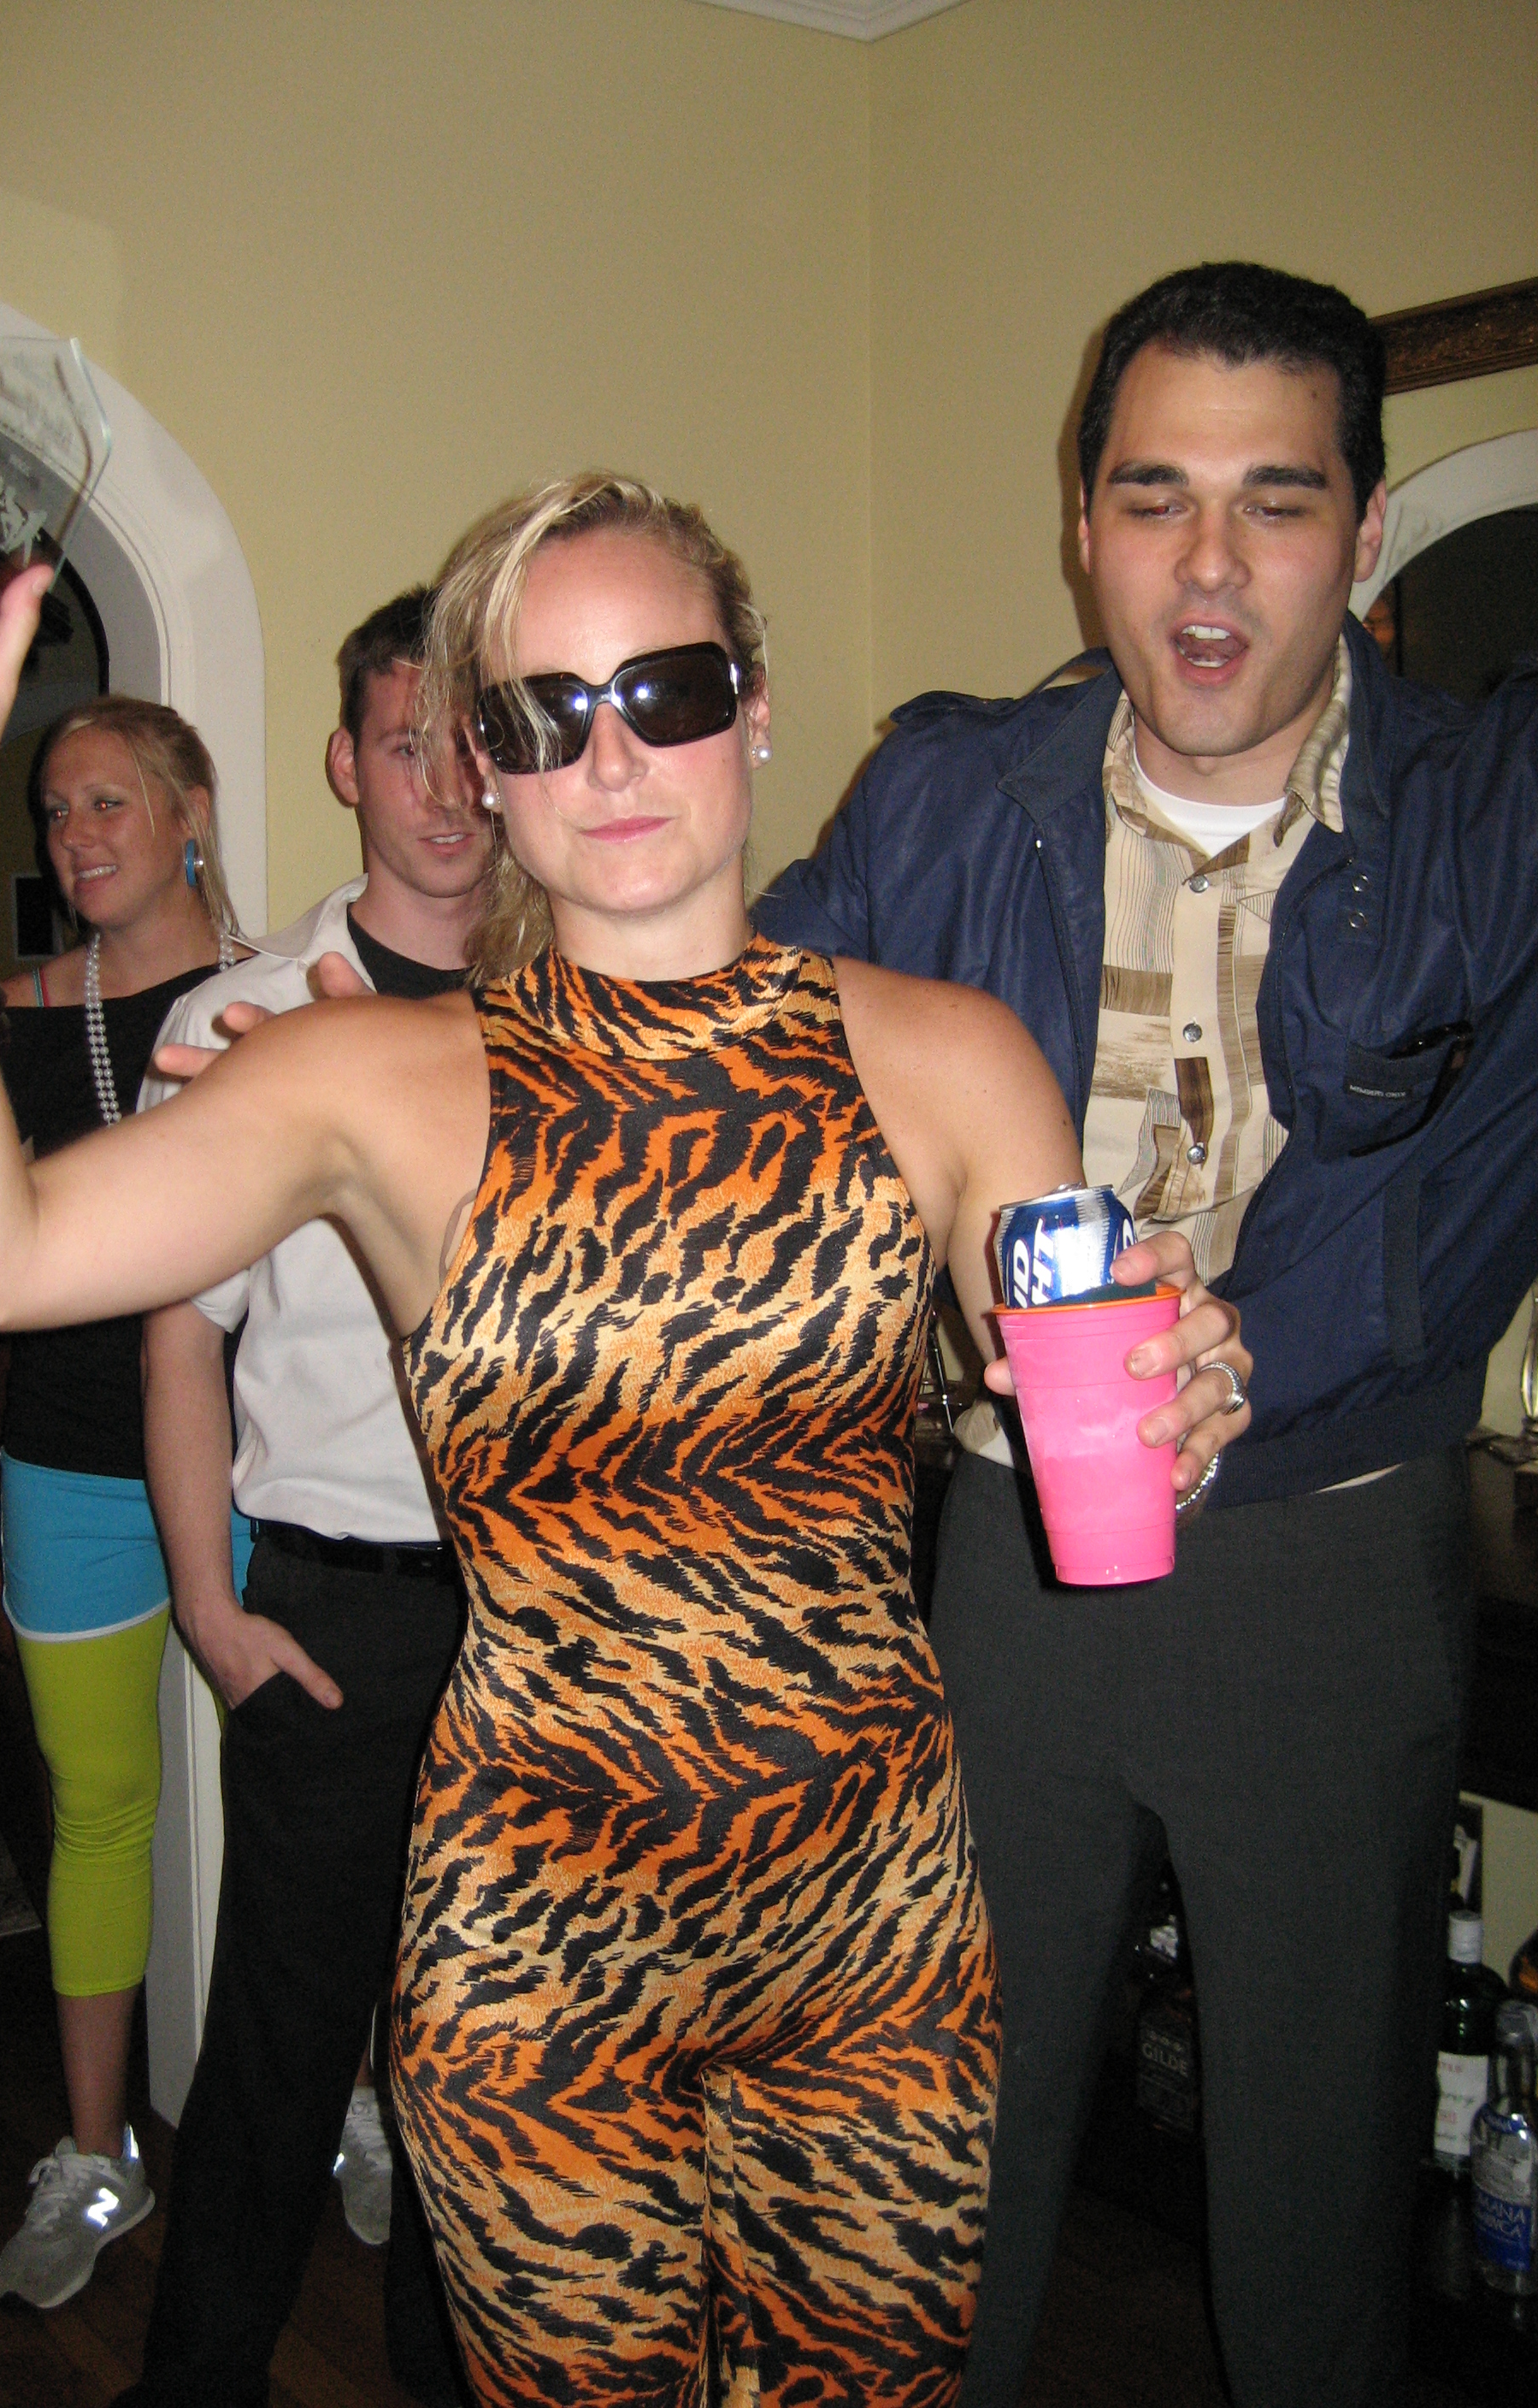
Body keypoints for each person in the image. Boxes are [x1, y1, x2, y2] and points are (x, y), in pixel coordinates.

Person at [0, 478, 1245, 2405]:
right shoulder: (368, 1077)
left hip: (867, 1921)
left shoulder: (949, 1056)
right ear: (480, 765)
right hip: (539, 1937)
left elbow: (1063, 1398)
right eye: (542, 713)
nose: (612, 756)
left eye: (667, 690)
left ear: (755, 707)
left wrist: (1175, 1399)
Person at [757, 261, 1538, 2408]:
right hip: (1002, 1564)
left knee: (1316, 2198)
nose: (1208, 566)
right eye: (1152, 496)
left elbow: (1473, 1173)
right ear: (1079, 522)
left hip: (1331, 1570)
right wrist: (429, 1044)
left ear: (1363, 534)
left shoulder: (1493, 812)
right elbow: (733, 1047)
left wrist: (1255, 1342)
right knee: (948, 2142)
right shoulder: (945, 789)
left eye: (1276, 502)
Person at [126, 587, 491, 2408]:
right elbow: (180, 1339)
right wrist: (210, 1604)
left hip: (546, 1614)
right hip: (335, 1607)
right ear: (347, 762)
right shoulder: (243, 1018)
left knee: (488, 2059)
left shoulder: (582, 1010)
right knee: (280, 2046)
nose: (447, 783)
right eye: (407, 742)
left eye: (474, 739)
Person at [0, 695, 252, 2311]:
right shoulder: (13, 1016)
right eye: (56, 810)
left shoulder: (283, 999)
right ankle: (97, 2152)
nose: (75, 837)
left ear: (186, 811)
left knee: (304, 1799)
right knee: (98, 1808)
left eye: (106, 803)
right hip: (70, 1465)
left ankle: (358, 2100)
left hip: (254, 1462)